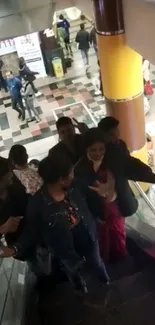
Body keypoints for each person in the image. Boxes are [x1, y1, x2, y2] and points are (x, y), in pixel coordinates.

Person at [0, 154, 109, 293]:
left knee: (97, 263)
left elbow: (91, 201)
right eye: (71, 174)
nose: (73, 176)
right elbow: (31, 231)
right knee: (72, 269)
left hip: (87, 234)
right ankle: (80, 288)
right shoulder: (38, 203)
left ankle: (105, 282)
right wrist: (15, 249)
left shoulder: (76, 187)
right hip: (63, 247)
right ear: (61, 180)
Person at [75, 128, 155, 262]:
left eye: (101, 149)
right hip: (97, 211)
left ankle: (120, 258)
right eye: (93, 150)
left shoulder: (114, 158)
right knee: (102, 238)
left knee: (119, 235)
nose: (98, 153)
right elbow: (80, 195)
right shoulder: (80, 169)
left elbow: (135, 168)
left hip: (116, 208)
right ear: (86, 149)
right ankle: (106, 260)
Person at [98, 116, 155, 183]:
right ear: (104, 136)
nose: (116, 136)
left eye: (117, 131)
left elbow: (128, 160)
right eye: (111, 134)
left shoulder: (121, 144)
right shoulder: (102, 153)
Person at [0, 157, 28, 246]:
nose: (12, 174)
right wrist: (2, 229)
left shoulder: (14, 183)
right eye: (7, 174)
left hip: (34, 232)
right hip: (16, 243)